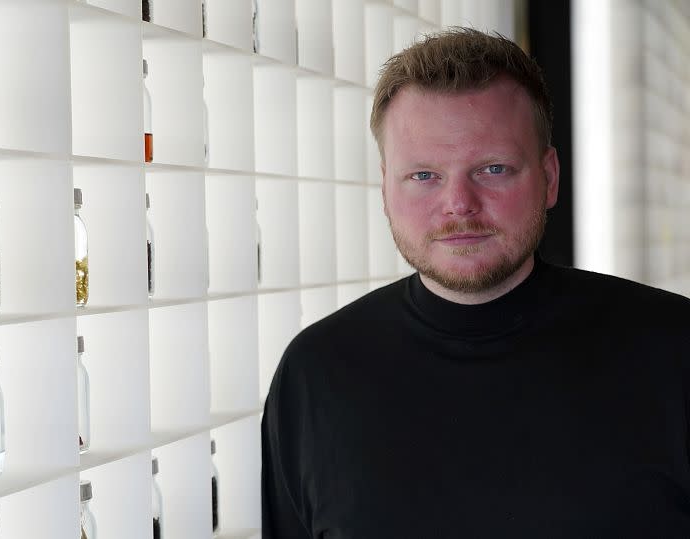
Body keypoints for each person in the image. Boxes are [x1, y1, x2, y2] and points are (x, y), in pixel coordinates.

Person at [261, 27, 690, 538]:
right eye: (424, 175)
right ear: (384, 187)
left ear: (549, 178)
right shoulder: (315, 375)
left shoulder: (674, 350)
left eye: (492, 168)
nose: (459, 205)